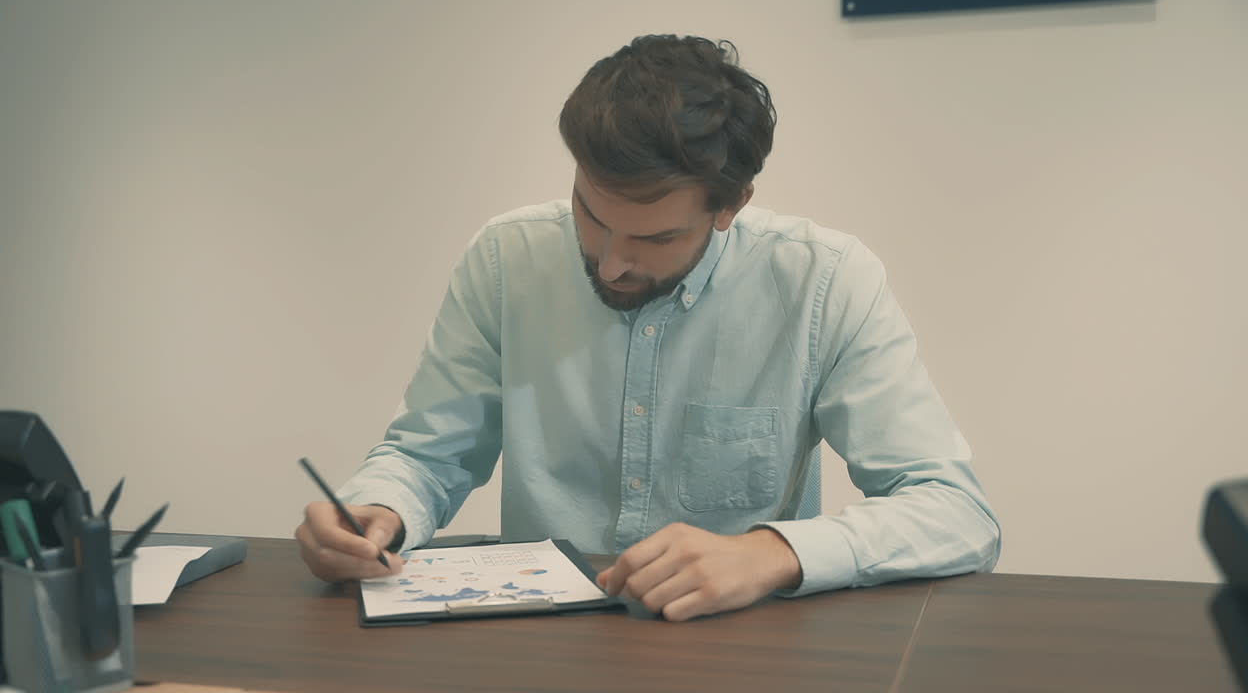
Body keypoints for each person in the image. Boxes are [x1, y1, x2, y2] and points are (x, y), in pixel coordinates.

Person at [295, 34, 1001, 622]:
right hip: (539, 649)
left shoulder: (825, 282)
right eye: (591, 215)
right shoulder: (506, 259)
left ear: (731, 206)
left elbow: (955, 514)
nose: (610, 263)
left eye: (654, 238)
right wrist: (376, 510)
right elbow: (425, 455)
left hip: (735, 653)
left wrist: (770, 552)